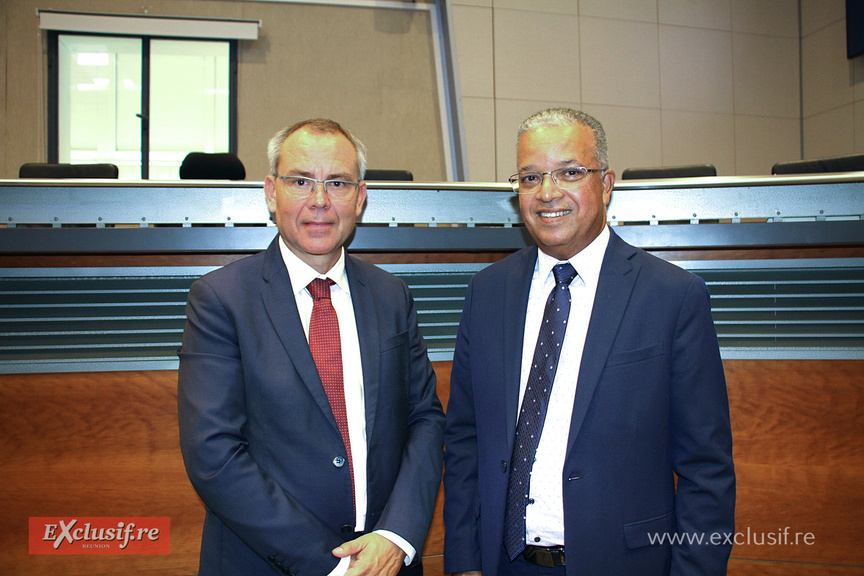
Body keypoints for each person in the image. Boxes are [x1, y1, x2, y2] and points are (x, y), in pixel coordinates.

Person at [442, 108, 735, 575]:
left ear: (606, 183)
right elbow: (464, 440)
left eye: (570, 172)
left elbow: (707, 470)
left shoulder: (673, 296)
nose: (548, 192)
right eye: (531, 177)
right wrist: (463, 562)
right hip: (504, 563)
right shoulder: (486, 292)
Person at [178, 118, 445, 576]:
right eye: (301, 181)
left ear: (360, 198)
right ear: (270, 191)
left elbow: (424, 420)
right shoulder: (221, 299)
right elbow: (214, 453)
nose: (319, 201)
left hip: (386, 564)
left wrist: (396, 536)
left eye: (337, 183)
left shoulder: (391, 296)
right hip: (267, 565)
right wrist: (334, 567)